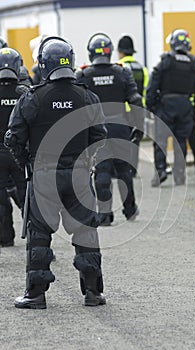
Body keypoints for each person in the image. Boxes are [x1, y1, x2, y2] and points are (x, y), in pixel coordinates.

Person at [4, 36, 107, 309]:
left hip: (44, 174)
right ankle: (93, 292)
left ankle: (36, 295)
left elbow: (13, 138)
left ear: (42, 64)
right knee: (86, 231)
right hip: (79, 175)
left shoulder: (33, 98)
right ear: (71, 62)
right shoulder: (87, 97)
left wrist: (28, 162)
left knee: (39, 234)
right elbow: (100, 135)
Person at [75, 33, 144, 226]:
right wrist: (139, 127)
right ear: (110, 51)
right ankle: (130, 210)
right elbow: (136, 100)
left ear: (91, 53)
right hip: (121, 127)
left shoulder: (83, 74)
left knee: (102, 170)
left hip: (97, 129)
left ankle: (105, 216)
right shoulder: (122, 72)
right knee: (124, 169)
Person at [146, 29, 195, 187]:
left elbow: (152, 86)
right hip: (185, 106)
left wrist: (151, 107)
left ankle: (160, 170)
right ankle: (179, 175)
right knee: (180, 141)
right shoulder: (194, 64)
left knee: (160, 140)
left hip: (165, 105)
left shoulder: (165, 61)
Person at [0, 47, 26, 247]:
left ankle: (6, 237)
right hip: (20, 153)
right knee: (27, 196)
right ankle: (35, 238)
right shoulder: (25, 93)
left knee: (1, 200)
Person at [117, 35, 149, 177]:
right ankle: (133, 169)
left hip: (124, 110)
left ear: (120, 52)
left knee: (123, 140)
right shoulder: (142, 69)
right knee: (136, 140)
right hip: (138, 110)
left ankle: (124, 168)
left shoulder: (119, 68)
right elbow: (146, 90)